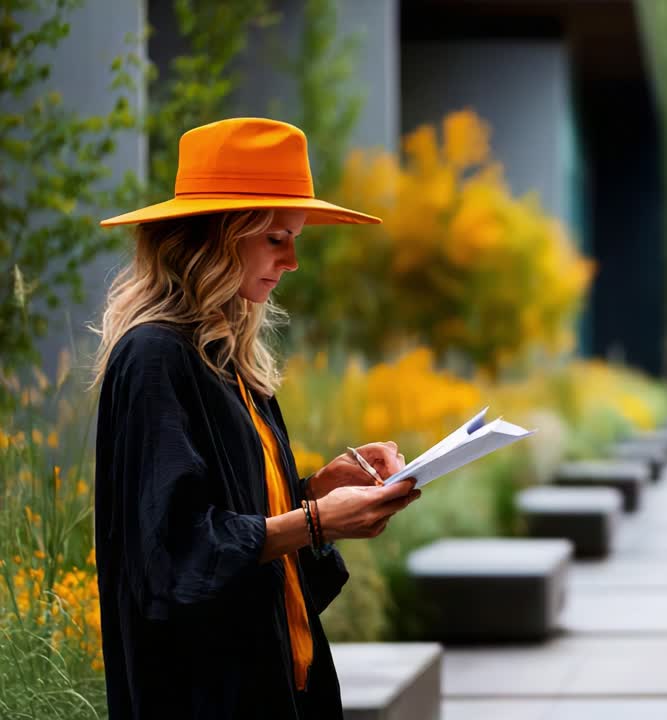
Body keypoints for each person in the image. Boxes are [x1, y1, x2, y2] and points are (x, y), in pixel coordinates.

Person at [90, 117, 420, 719]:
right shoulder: (155, 357)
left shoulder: (226, 360)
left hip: (275, 682)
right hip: (202, 697)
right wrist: (315, 522)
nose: (292, 261)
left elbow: (233, 519)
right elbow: (172, 553)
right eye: (274, 237)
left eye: (295, 238)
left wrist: (315, 490)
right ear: (215, 237)